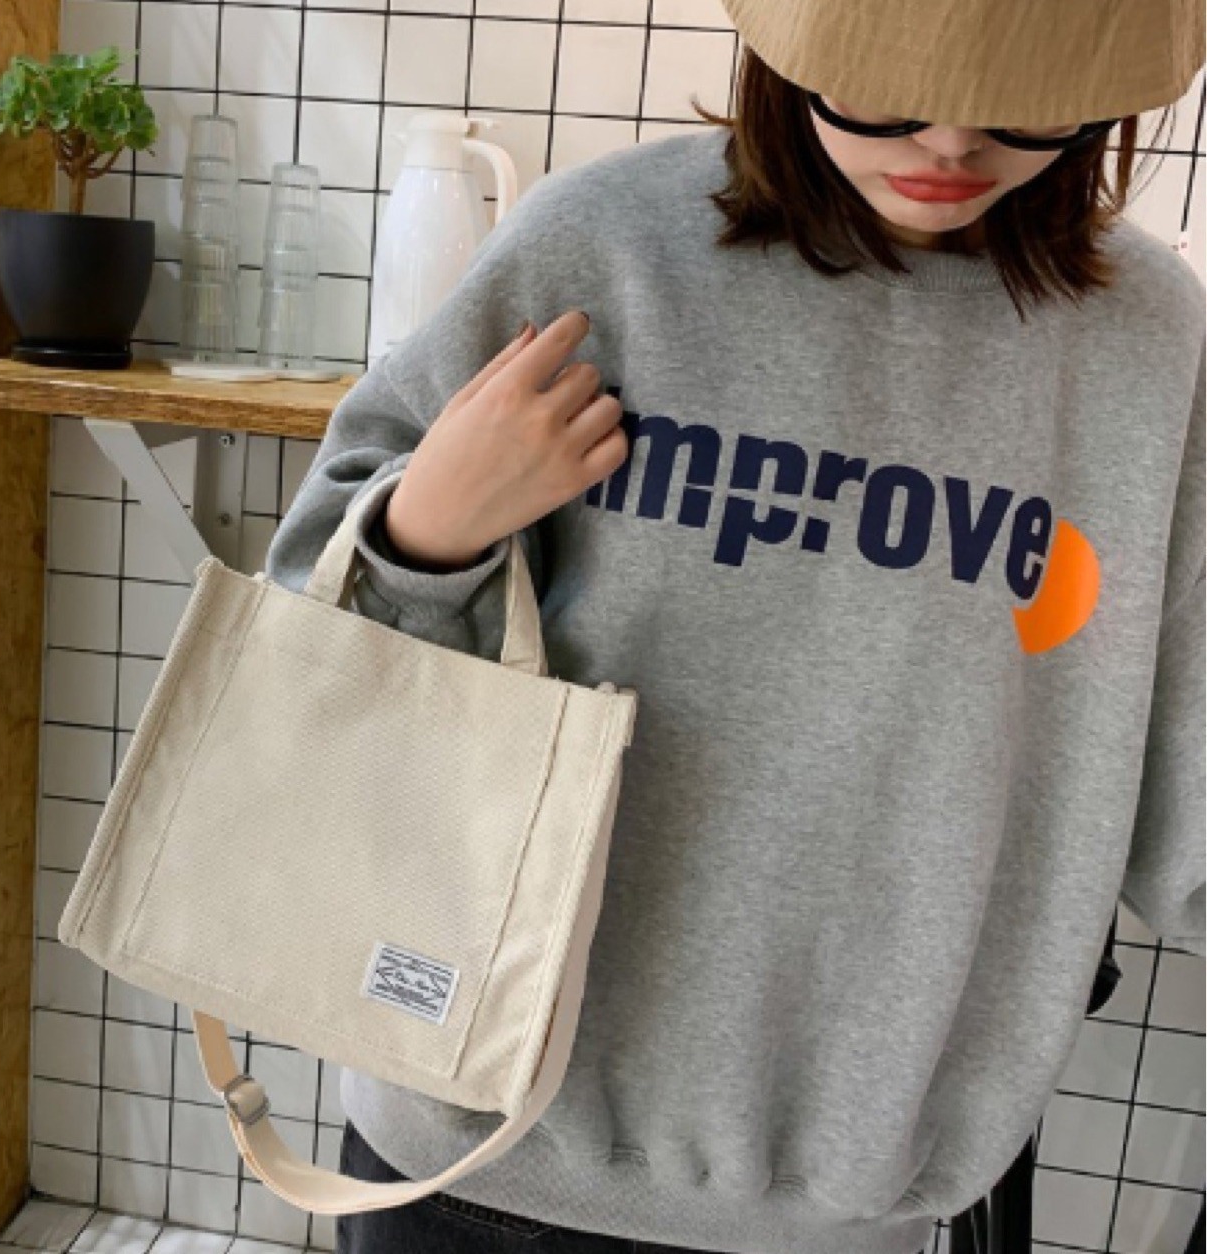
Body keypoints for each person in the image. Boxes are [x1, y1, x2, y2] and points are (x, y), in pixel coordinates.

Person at [263, 1, 1206, 1250]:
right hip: (467, 1150)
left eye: (1025, 111)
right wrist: (426, 526)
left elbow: (1184, 748)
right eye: (887, 92)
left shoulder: (1145, 343)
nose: (950, 140)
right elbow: (312, 636)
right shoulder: (602, 248)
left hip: (836, 1201)